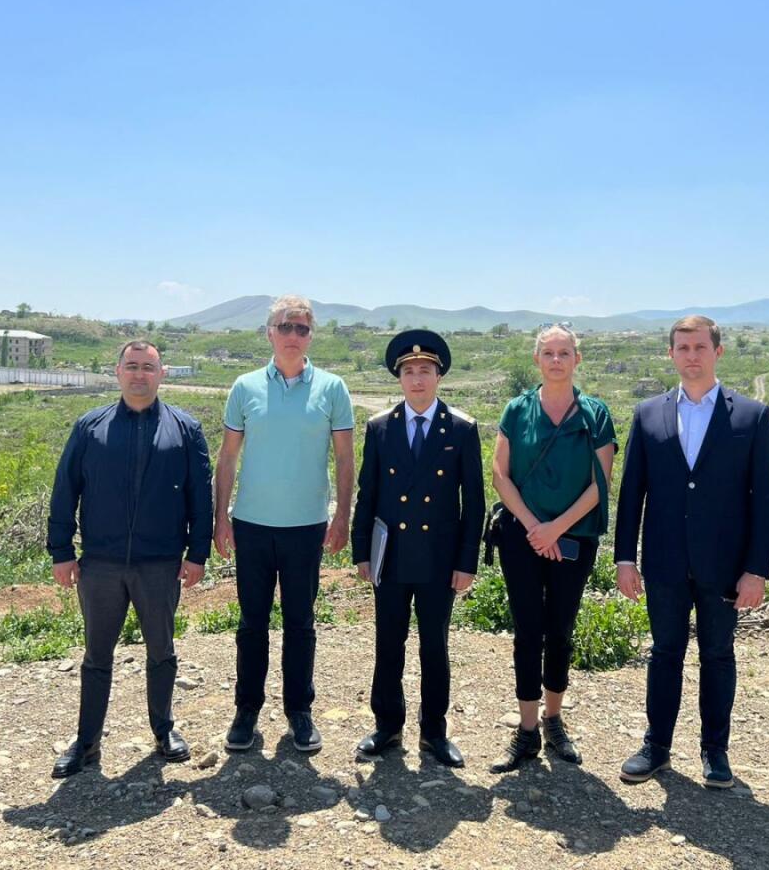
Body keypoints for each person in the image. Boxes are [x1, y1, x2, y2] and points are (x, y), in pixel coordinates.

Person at [614, 315, 769, 789]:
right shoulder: (648, 413)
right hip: (665, 561)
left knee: (718, 655)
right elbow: (632, 492)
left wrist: (756, 569)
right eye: (683, 348)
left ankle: (715, 752)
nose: (691, 356)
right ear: (671, 354)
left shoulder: (751, 416)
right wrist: (625, 558)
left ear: (717, 352)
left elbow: (768, 499)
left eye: (700, 347)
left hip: (724, 566)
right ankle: (656, 746)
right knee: (664, 653)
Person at [46, 340, 213, 778]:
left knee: (162, 651)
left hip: (159, 563)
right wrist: (61, 552)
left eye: (148, 367)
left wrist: (198, 553)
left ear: (162, 374)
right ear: (118, 372)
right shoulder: (90, 427)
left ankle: (164, 731)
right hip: (100, 563)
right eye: (132, 366)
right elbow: (65, 491)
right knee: (96, 655)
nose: (140, 375)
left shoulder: (185, 429)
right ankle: (87, 743)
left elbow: (201, 497)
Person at [214, 295, 355, 753]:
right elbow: (228, 457)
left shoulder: (332, 388)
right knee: (251, 623)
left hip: (306, 527)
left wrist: (342, 516)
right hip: (252, 524)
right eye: (286, 326)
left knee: (300, 623)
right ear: (269, 333)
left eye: (302, 328)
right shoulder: (245, 387)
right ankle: (246, 710)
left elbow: (345, 459)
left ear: (311, 336)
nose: (294, 335)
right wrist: (220, 518)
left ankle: (299, 711)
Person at [350, 330, 485, 768]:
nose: (417, 379)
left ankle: (434, 732)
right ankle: (387, 726)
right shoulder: (380, 427)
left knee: (434, 646)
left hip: (438, 558)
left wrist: (467, 561)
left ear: (438, 376)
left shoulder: (461, 428)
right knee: (389, 642)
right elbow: (368, 494)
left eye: (425, 370)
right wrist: (361, 551)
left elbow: (474, 503)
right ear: (399, 378)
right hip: (391, 556)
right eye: (409, 372)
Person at [489, 323, 617, 772]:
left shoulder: (595, 414)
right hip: (522, 537)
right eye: (549, 353)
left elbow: (601, 483)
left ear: (577, 359)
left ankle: (553, 719)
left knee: (560, 630)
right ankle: (526, 730)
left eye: (565, 353)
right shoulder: (517, 410)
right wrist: (533, 527)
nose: (557, 360)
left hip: (573, 538)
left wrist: (555, 528)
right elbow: (500, 474)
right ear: (537, 359)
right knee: (527, 630)